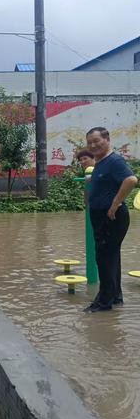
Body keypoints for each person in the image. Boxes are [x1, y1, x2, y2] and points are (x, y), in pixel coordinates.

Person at [83, 127, 137, 313]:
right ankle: (115, 296)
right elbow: (107, 181)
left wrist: (115, 204)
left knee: (104, 258)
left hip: (111, 215)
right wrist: (93, 178)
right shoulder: (101, 161)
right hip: (102, 215)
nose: (93, 145)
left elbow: (130, 180)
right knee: (111, 257)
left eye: (96, 141)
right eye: (89, 142)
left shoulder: (114, 160)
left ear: (107, 139)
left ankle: (103, 303)